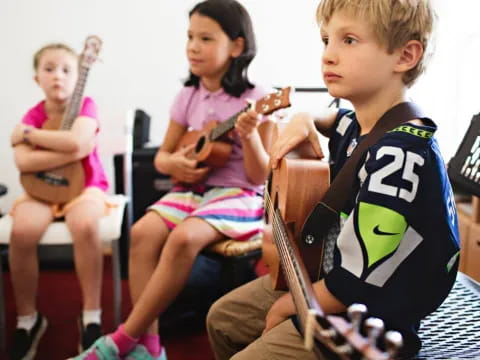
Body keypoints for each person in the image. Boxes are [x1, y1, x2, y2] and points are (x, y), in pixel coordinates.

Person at [206, 0, 460, 359]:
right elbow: (335, 120)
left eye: (350, 40)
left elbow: (360, 278)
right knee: (223, 318)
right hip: (328, 280)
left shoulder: (399, 155)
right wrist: (304, 117)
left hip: (369, 320)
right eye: (327, 39)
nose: (328, 55)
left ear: (405, 56)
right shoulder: (360, 123)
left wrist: (289, 308)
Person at [71, 1, 272, 359]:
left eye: (206, 38)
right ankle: (149, 345)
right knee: (143, 232)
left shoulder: (257, 99)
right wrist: (176, 164)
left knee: (183, 237)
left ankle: (121, 339)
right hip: (192, 191)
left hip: (239, 194)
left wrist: (251, 135)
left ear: (237, 47)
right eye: (190, 37)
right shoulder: (187, 96)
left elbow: (260, 176)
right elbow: (162, 157)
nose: (193, 47)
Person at [9, 42, 109, 359]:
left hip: (85, 187)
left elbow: (79, 144)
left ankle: (91, 315)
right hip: (41, 190)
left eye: (67, 69)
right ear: (37, 78)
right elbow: (23, 164)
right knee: (22, 230)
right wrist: (60, 148)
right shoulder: (34, 114)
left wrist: (29, 135)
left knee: (84, 225)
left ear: (79, 74)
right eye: (49, 69)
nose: (58, 76)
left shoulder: (86, 106)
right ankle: (28, 319)